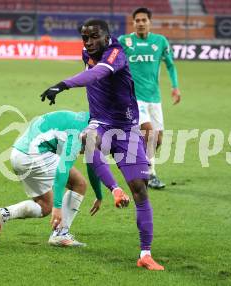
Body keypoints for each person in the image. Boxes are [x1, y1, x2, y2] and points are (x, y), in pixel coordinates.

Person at [40, 19, 164, 271]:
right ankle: (115, 189)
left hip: (127, 128)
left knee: (140, 190)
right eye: (84, 37)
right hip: (101, 124)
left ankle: (145, 254)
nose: (87, 42)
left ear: (107, 37)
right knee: (87, 139)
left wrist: (63, 84)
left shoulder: (115, 53)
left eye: (94, 37)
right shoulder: (88, 51)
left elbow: (96, 74)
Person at [0, 110, 122, 247]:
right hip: (35, 154)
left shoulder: (89, 121)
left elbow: (92, 162)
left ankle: (2, 214)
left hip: (17, 154)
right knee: (79, 184)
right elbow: (62, 171)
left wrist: (99, 195)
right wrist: (57, 207)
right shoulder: (81, 134)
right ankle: (60, 233)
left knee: (44, 205)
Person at [118, 7, 181, 189]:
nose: (140, 23)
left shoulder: (160, 41)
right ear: (133, 23)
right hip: (134, 97)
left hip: (154, 97)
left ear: (149, 22)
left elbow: (170, 65)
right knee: (149, 133)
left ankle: (136, 164)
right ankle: (150, 174)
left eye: (144, 20)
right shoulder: (125, 41)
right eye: (137, 20)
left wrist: (175, 87)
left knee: (158, 139)